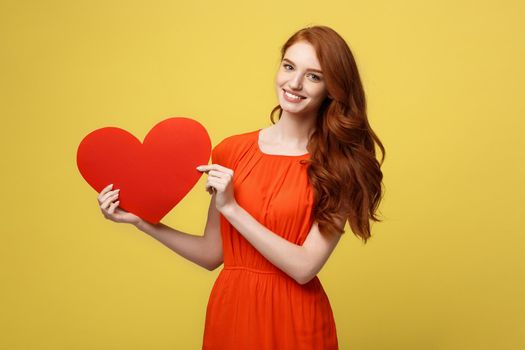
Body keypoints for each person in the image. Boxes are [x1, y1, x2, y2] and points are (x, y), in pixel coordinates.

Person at [97, 25, 385, 350]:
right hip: (232, 313)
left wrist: (232, 209)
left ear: (332, 89)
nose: (294, 83)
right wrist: (141, 221)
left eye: (314, 76)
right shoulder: (231, 152)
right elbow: (211, 254)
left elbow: (305, 267)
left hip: (295, 319)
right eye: (289, 67)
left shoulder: (340, 166)